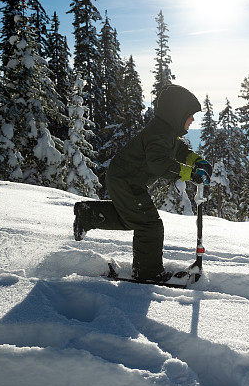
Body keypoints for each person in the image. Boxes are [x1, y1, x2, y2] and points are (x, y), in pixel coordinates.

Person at [72, 84, 212, 283]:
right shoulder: (159, 134)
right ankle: (147, 272)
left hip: (127, 180)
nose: (193, 119)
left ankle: (89, 214)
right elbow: (159, 164)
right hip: (126, 181)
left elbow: (177, 149)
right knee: (149, 225)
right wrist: (190, 174)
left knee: (134, 219)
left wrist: (196, 160)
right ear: (177, 114)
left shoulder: (166, 132)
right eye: (190, 114)